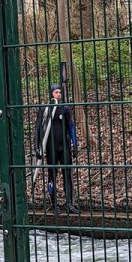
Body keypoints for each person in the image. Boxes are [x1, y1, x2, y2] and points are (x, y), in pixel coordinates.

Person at [33, 84, 79, 214]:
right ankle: (54, 204)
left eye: (60, 92)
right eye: (56, 92)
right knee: (52, 175)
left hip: (64, 146)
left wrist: (74, 144)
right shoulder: (45, 109)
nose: (59, 94)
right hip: (51, 146)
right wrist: (37, 147)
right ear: (51, 94)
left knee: (67, 174)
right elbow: (37, 129)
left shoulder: (65, 109)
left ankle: (70, 203)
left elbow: (70, 126)